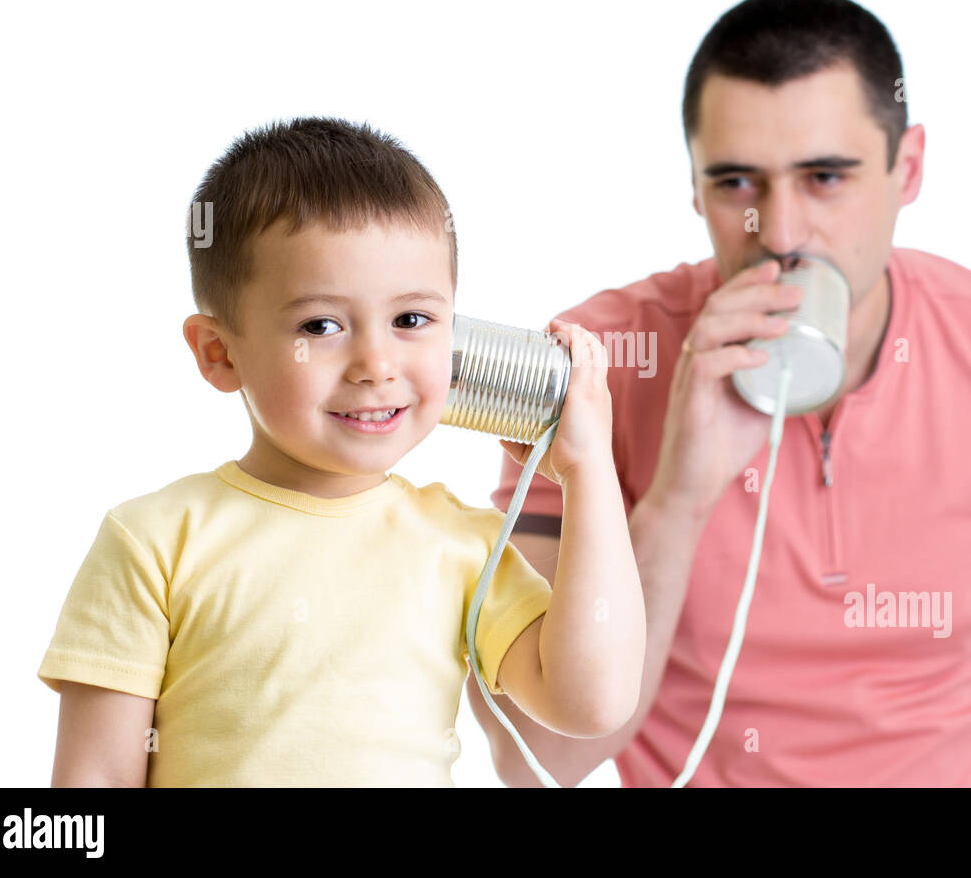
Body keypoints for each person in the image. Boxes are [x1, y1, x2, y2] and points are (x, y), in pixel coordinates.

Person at [473, 0, 971, 787]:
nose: (777, 233)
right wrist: (677, 496)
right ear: (695, 187)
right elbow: (536, 762)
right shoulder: (593, 366)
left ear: (906, 168)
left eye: (825, 177)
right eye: (737, 182)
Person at [38, 116, 644, 786]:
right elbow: (90, 788)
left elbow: (592, 701)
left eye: (412, 319)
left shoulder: (465, 546)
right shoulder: (153, 540)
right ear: (219, 351)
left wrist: (589, 473)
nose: (376, 363)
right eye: (320, 325)